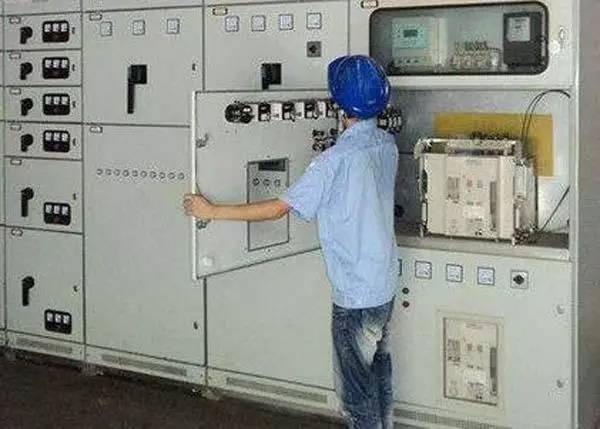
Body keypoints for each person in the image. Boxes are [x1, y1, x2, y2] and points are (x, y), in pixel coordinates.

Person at [183, 55, 398, 429]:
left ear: (339, 104)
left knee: (356, 397)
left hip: (355, 295)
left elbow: (276, 210)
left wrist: (211, 211)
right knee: (378, 378)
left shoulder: (332, 162)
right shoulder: (386, 145)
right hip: (384, 284)